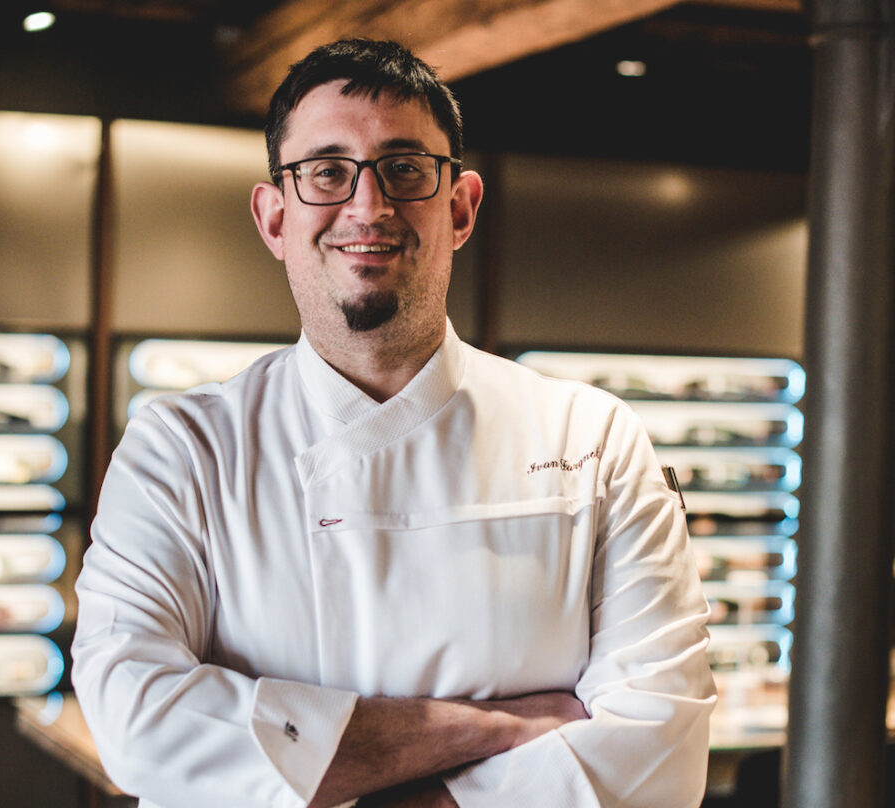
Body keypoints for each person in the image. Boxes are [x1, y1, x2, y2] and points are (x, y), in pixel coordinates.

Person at [72, 38, 716, 808]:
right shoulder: (181, 449)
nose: (368, 206)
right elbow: (135, 722)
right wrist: (485, 730)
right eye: (326, 171)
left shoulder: (592, 438)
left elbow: (661, 751)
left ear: (460, 208)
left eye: (405, 168)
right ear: (275, 218)